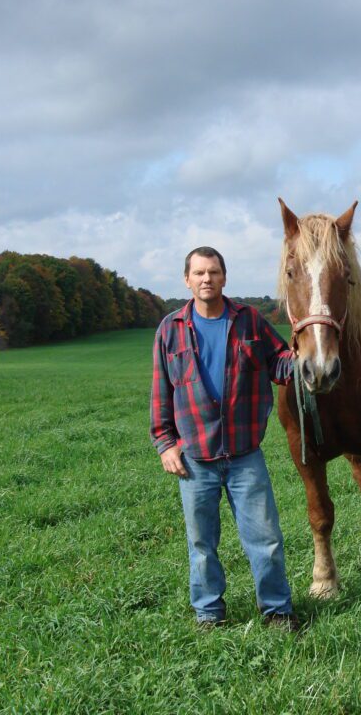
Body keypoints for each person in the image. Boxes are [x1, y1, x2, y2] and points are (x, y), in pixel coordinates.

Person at [150, 246, 300, 631]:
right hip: (195, 457)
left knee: (265, 539)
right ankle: (208, 612)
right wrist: (165, 443)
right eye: (199, 273)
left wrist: (304, 356)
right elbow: (161, 390)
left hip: (244, 454)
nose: (206, 279)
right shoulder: (170, 328)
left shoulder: (249, 320)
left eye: (213, 272)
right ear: (187, 280)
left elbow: (280, 363)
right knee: (201, 544)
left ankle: (277, 610)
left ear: (224, 277)